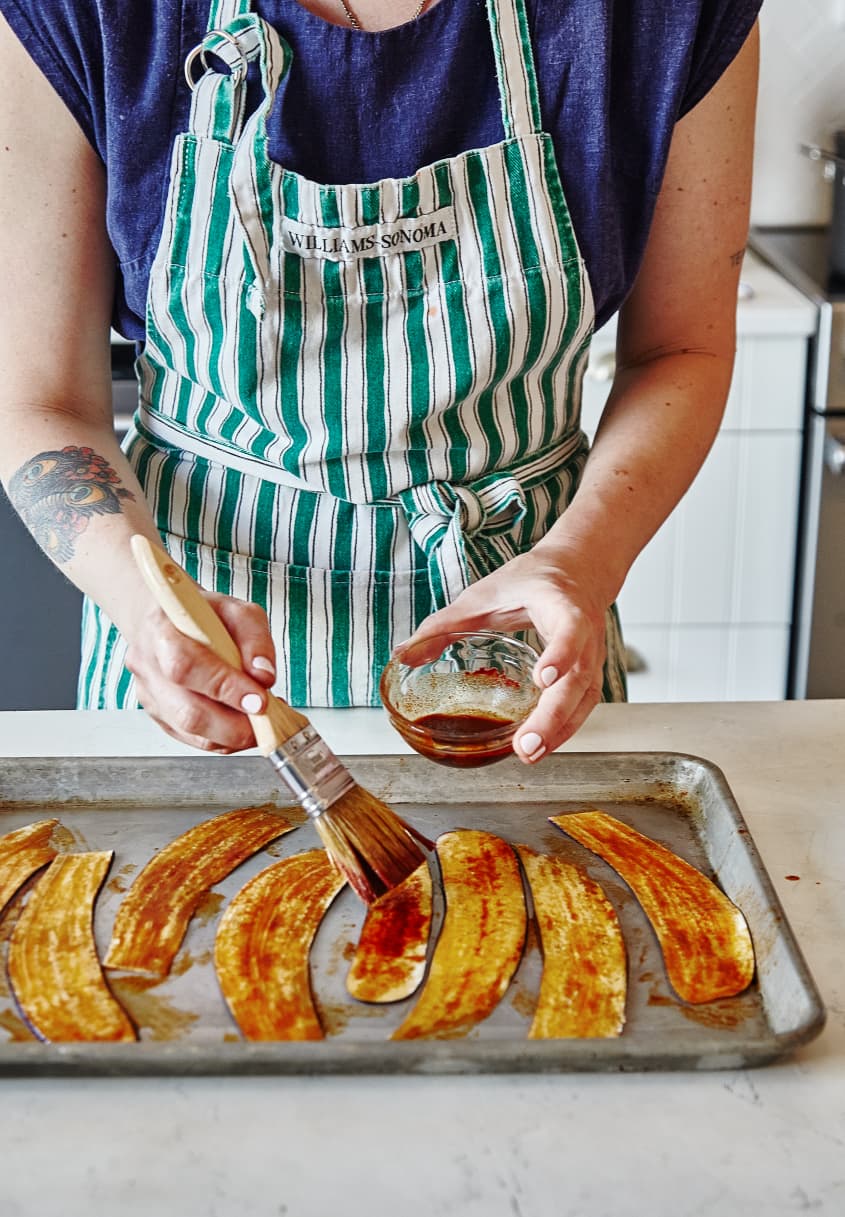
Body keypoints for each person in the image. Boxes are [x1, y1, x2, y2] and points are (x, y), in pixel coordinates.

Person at [0, 0, 761, 761]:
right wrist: (143, 608)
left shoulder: (660, 17)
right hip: (198, 651)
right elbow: (39, 396)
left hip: (523, 651)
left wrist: (583, 562)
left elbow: (680, 350)